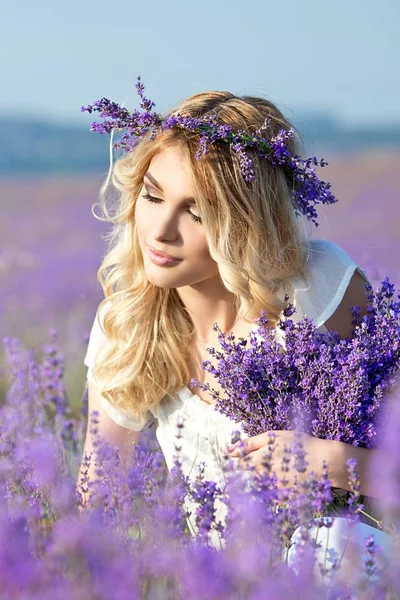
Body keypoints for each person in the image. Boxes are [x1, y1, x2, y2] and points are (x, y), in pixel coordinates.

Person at [77, 79, 387, 561]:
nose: (160, 231)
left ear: (246, 224)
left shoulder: (315, 288)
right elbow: (97, 505)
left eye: (197, 214)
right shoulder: (126, 325)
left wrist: (335, 463)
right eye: (153, 197)